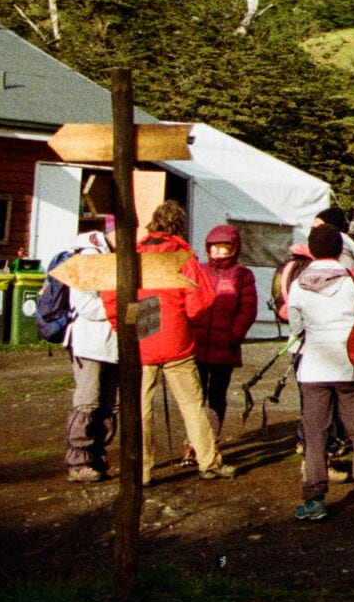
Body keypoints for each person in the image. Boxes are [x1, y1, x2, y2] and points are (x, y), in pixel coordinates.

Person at [103, 200, 234, 483]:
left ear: (153, 223)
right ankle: (208, 463)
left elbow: (112, 296)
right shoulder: (184, 256)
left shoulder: (134, 253)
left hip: (143, 323)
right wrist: (187, 318)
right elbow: (203, 299)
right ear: (180, 227)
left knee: (139, 406)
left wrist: (122, 326)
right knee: (192, 404)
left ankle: (141, 471)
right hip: (176, 331)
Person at [287, 223, 354, 520]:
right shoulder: (352, 277)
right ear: (338, 249)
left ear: (312, 249)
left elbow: (296, 328)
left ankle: (314, 499)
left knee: (315, 434)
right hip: (348, 363)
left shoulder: (298, 282)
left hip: (312, 367)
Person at [187, 223, 259, 462]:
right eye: (214, 248)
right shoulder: (199, 270)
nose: (219, 252)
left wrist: (233, 336)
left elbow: (247, 310)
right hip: (196, 346)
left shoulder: (243, 275)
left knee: (217, 396)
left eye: (224, 248)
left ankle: (211, 442)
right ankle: (193, 443)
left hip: (224, 347)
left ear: (234, 248)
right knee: (195, 398)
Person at [62, 226, 117, 483]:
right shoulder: (89, 254)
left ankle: (96, 457)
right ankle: (78, 462)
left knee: (107, 404)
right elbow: (85, 305)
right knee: (88, 402)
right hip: (89, 343)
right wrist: (121, 305)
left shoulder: (121, 254)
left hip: (113, 344)